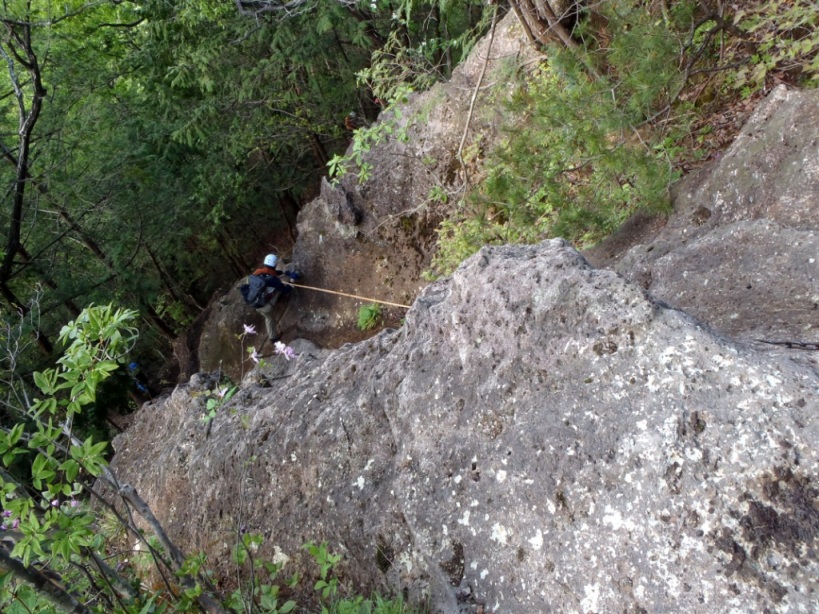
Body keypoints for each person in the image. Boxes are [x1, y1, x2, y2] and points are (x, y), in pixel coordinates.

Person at [253, 254, 299, 348]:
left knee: (268, 318)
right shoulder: (273, 280)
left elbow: (271, 273)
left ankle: (273, 338)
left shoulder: (257, 272)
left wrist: (283, 272)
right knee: (270, 317)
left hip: (255, 303)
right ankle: (274, 338)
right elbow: (285, 290)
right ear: (274, 264)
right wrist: (292, 281)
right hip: (265, 306)